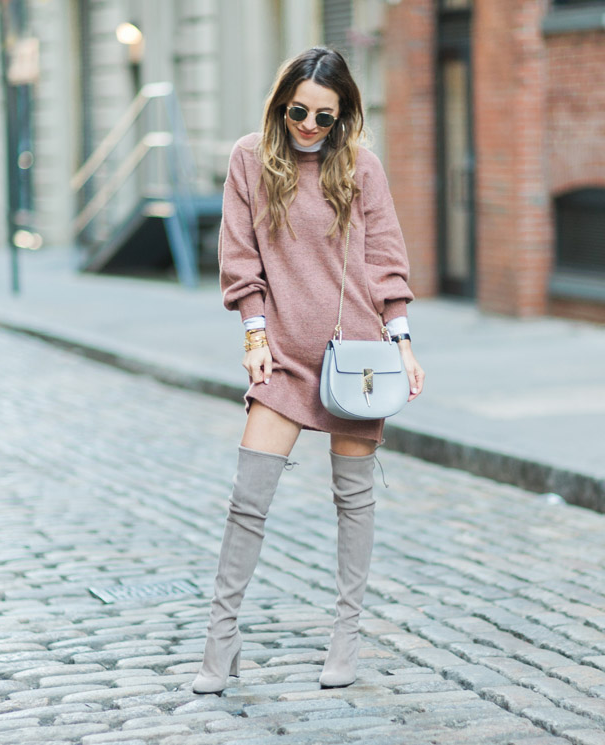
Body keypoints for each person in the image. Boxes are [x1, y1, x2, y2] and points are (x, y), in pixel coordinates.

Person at [192, 47, 425, 694]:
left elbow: (385, 257)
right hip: (284, 354)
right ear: (280, 106)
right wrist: (254, 333)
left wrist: (401, 339)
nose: (310, 128)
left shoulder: (360, 167)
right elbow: (240, 258)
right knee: (248, 498)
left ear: (344, 114)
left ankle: (345, 634)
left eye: (326, 116)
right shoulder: (249, 161)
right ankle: (221, 641)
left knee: (354, 500)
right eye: (299, 112)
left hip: (355, 355)